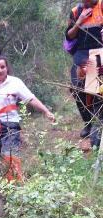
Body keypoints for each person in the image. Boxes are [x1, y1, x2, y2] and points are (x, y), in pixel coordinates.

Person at [0, 55, 56, 182]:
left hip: (10, 124)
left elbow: (30, 98)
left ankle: (17, 185)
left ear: (7, 68)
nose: (0, 70)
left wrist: (46, 111)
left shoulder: (15, 82)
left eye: (2, 67)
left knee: (10, 154)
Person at [65, 0, 103, 150]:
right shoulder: (75, 11)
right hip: (81, 55)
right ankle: (87, 122)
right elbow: (69, 36)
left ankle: (96, 128)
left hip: (100, 52)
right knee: (77, 88)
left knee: (96, 92)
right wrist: (79, 22)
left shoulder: (101, 6)